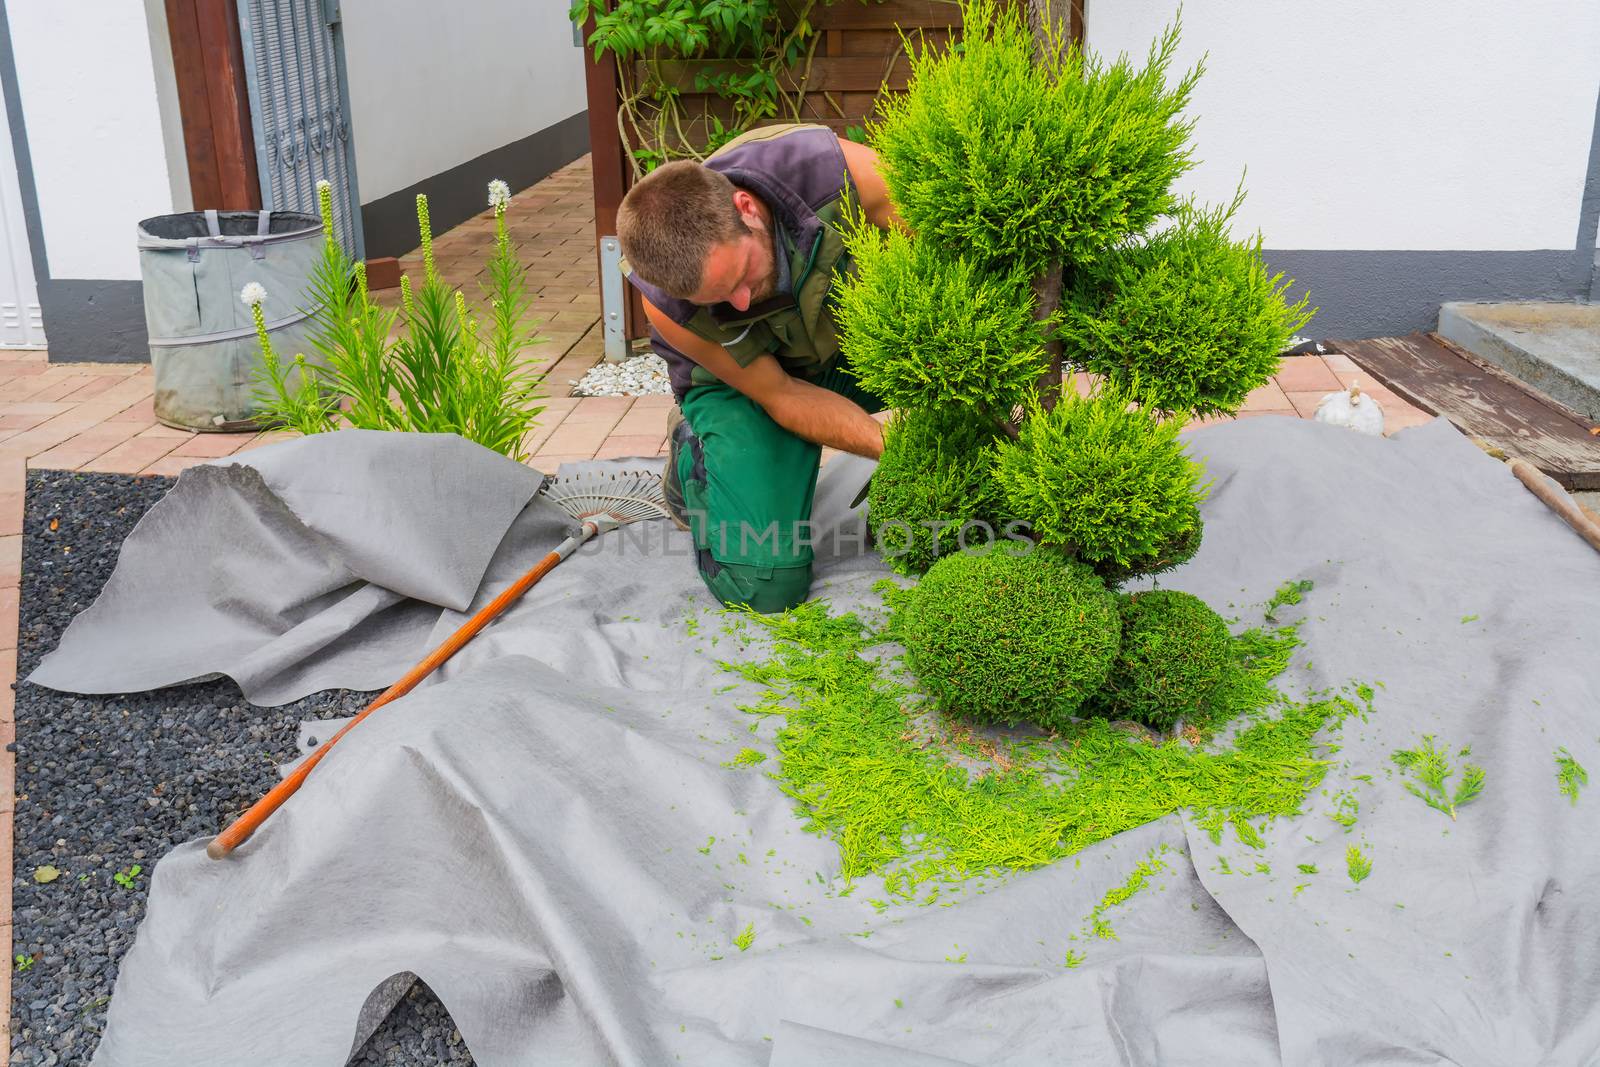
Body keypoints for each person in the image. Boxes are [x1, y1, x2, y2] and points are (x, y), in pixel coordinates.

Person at [617, 123, 900, 613]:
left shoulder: (840, 175)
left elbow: (957, 265)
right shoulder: (667, 304)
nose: (742, 302)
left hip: (845, 343)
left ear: (746, 208)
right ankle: (696, 459)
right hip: (752, 385)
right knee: (765, 587)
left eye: (743, 275)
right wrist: (898, 450)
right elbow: (783, 395)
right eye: (720, 299)